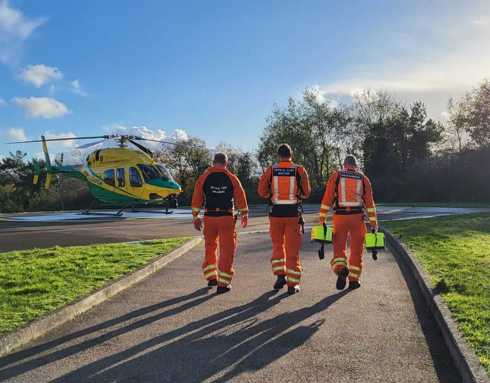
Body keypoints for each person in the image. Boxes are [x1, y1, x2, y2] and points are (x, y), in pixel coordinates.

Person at [191, 152, 249, 294]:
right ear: (226, 163)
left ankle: (211, 277)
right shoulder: (232, 178)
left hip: (209, 217)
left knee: (210, 247)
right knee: (226, 250)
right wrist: (244, 214)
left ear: (213, 162)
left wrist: (196, 216)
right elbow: (240, 197)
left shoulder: (204, 177)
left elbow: (197, 198)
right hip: (226, 218)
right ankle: (223, 284)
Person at [258, 144, 311, 295]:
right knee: (292, 250)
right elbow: (307, 193)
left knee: (277, 246)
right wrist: (298, 195)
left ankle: (280, 276)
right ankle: (292, 285)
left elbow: (261, 191)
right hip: (293, 214)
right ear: (291, 154)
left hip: (275, 213)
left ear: (278, 155)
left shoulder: (271, 169)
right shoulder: (299, 169)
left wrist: (271, 196)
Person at [319, 155, 378, 290]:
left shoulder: (336, 176)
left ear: (344, 165)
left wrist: (322, 218)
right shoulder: (363, 179)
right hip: (357, 218)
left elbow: (327, 198)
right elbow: (370, 204)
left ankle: (341, 269)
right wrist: (374, 224)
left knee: (339, 248)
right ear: (356, 166)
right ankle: (354, 281)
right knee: (357, 250)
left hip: (340, 217)